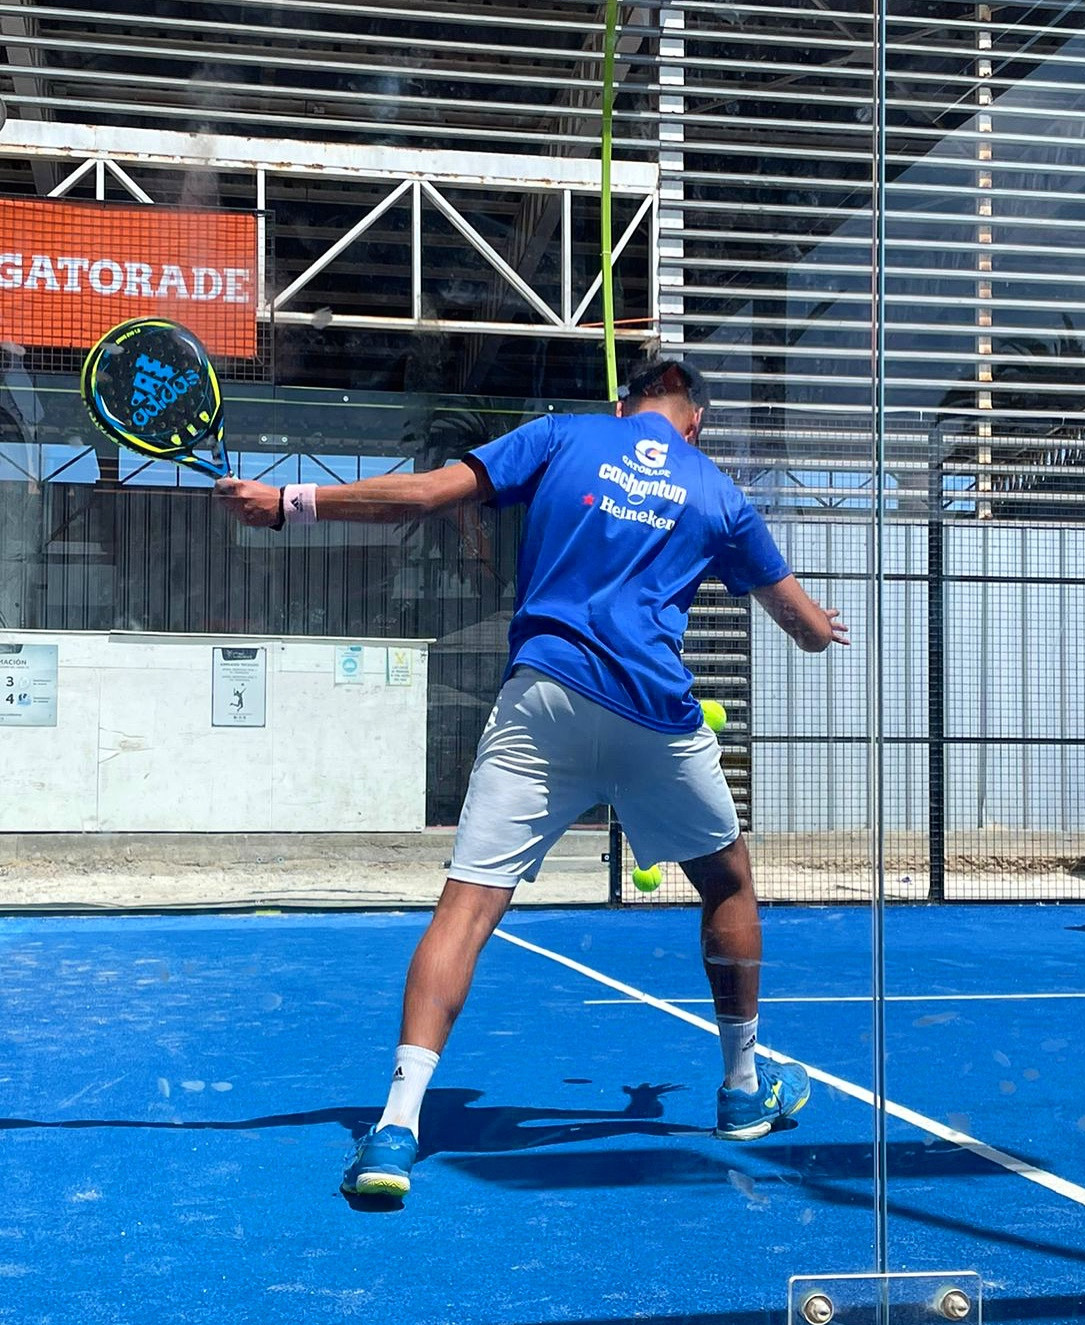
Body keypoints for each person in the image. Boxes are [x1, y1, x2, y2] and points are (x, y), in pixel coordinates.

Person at [215, 358, 849, 1198]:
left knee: (466, 910)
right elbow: (805, 630)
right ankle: (741, 1088)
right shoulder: (718, 493)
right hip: (653, 713)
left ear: (624, 405)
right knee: (727, 882)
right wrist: (820, 623)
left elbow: (426, 494)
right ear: (694, 421)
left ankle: (395, 1128)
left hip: (542, 698)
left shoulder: (562, 435)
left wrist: (286, 501)